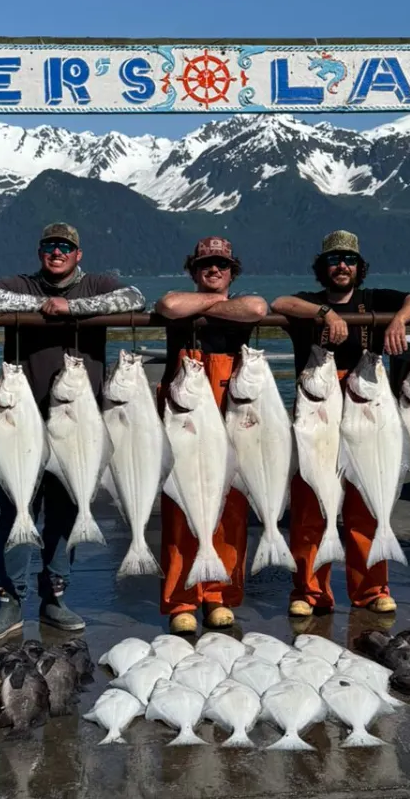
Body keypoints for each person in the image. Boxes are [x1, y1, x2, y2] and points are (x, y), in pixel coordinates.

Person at [0, 221, 145, 642]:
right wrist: (41, 302)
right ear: (40, 251)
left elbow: (135, 298)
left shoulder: (97, 286)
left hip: (78, 426)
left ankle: (55, 597)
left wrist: (72, 309)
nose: (57, 252)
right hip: (23, 422)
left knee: (66, 512)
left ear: (78, 254)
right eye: (50, 246)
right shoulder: (22, 285)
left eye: (65, 247)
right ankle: (10, 601)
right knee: (14, 511)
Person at [270, 229, 410, 619]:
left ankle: (372, 588)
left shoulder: (375, 301)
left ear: (360, 267)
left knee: (366, 503)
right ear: (322, 268)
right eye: (333, 261)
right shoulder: (308, 304)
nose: (342, 267)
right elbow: (278, 302)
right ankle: (308, 591)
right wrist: (325, 313)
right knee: (311, 504)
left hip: (367, 410)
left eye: (349, 261)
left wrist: (398, 321)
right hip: (318, 411)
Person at [153, 236, 267, 635]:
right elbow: (169, 306)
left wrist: (204, 306)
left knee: (231, 502)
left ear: (233, 271)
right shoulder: (178, 302)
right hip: (185, 413)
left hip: (232, 409)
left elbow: (256, 308)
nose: (214, 270)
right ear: (193, 270)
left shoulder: (244, 304)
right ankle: (181, 599)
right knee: (181, 504)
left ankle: (220, 595)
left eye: (221, 265)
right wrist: (218, 305)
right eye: (205, 265)